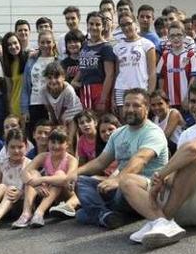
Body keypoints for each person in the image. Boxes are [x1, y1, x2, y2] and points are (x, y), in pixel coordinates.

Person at [121, 78, 196, 248]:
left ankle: (164, 219)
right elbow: (175, 173)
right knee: (127, 181)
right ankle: (160, 221)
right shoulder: (186, 134)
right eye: (193, 101)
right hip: (184, 202)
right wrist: (162, 181)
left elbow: (193, 150)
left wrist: (160, 175)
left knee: (194, 157)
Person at [67, 88, 169, 229]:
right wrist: (75, 173)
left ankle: (103, 213)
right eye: (127, 105)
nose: (130, 109)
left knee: (83, 214)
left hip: (143, 189)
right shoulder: (118, 134)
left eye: (136, 105)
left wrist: (117, 179)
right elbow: (100, 162)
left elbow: (140, 159)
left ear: (147, 108)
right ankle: (108, 215)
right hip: (119, 189)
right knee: (80, 182)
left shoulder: (153, 132)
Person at [15, 128, 79, 228]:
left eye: (60, 142)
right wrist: (34, 184)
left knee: (59, 174)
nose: (56, 146)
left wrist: (42, 180)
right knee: (33, 173)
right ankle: (26, 213)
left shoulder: (71, 160)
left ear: (67, 144)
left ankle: (39, 213)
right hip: (49, 194)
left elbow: (67, 179)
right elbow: (24, 173)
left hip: (67, 192)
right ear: (48, 143)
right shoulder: (43, 156)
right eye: (53, 142)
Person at [73, 11, 116, 112]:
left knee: (100, 120)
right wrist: (75, 81)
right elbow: (82, 67)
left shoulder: (106, 47)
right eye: (91, 24)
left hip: (99, 89)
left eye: (98, 24)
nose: (94, 27)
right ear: (87, 25)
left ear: (103, 27)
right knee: (87, 120)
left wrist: (103, 98)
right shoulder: (84, 45)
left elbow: (110, 75)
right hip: (85, 89)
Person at [113, 12, 157, 110]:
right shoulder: (117, 47)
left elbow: (152, 72)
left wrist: (149, 94)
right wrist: (113, 97)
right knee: (124, 122)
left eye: (129, 23)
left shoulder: (147, 44)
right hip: (121, 89)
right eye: (122, 25)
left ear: (135, 23)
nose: (126, 28)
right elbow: (117, 74)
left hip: (140, 89)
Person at [157, 21, 196, 112]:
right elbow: (161, 78)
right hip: (169, 102)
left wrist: (188, 96)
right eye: (172, 36)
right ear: (168, 37)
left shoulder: (190, 55)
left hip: (186, 101)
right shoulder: (164, 56)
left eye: (179, 35)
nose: (176, 38)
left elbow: (194, 77)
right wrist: (163, 97)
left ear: (184, 36)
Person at [21, 31, 58, 129]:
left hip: (52, 105)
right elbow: (25, 87)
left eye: (49, 42)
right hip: (34, 104)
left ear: (54, 43)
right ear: (38, 43)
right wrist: (25, 110)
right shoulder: (31, 61)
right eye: (42, 42)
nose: (45, 45)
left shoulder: (58, 61)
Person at [41, 61, 83, 140]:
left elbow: (65, 110)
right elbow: (49, 109)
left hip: (72, 111)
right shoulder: (43, 90)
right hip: (56, 111)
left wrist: (60, 121)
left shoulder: (68, 90)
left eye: (56, 77)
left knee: (68, 130)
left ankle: (70, 143)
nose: (53, 81)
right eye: (49, 78)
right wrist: (54, 122)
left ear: (63, 77)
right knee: (53, 130)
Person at [1, 32, 27, 119]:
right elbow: (9, 90)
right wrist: (10, 108)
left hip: (29, 104)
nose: (13, 46)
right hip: (16, 105)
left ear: (19, 43)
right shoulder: (8, 65)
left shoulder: (29, 58)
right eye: (9, 45)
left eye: (15, 43)